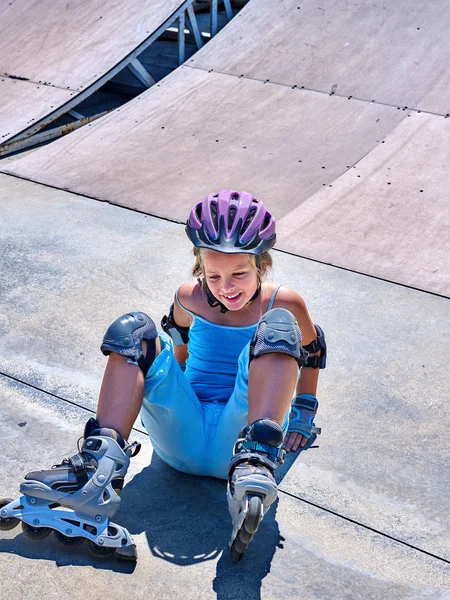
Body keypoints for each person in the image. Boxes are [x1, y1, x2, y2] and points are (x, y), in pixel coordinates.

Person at [1, 190, 325, 562]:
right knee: (135, 331)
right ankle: (97, 471)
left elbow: (312, 353)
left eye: (239, 273)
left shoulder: (285, 302)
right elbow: (178, 360)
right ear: (199, 266)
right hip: (179, 439)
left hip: (239, 444)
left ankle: (257, 458)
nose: (227, 286)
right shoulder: (188, 298)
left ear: (261, 266)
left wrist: (303, 410)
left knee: (280, 327)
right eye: (214, 274)